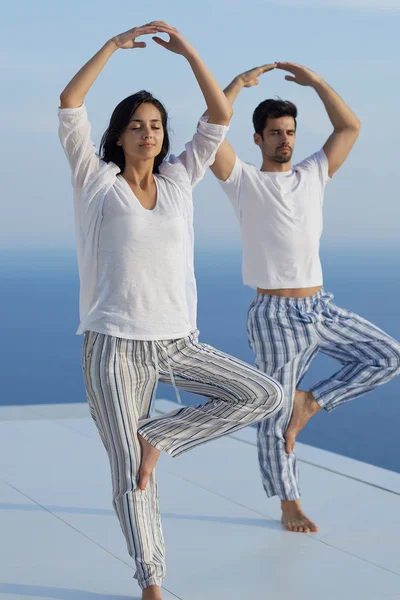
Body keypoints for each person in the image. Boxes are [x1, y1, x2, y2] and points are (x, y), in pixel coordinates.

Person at [58, 23, 284, 600]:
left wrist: (189, 55)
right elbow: (70, 103)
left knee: (264, 395)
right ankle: (152, 584)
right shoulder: (96, 182)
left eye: (156, 125)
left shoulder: (181, 179)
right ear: (118, 136)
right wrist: (110, 46)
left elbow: (218, 115)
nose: (148, 134)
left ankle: (162, 435)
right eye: (136, 126)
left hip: (178, 340)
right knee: (132, 476)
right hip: (113, 344)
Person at [209, 61, 400, 534]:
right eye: (274, 132)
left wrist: (315, 84)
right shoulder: (243, 182)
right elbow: (209, 135)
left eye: (290, 131)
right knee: (273, 412)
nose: (284, 140)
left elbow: (349, 126)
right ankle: (288, 502)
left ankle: (310, 403)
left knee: (388, 356)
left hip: (320, 306)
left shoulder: (314, 172)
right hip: (275, 314)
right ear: (258, 139)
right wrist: (235, 85)